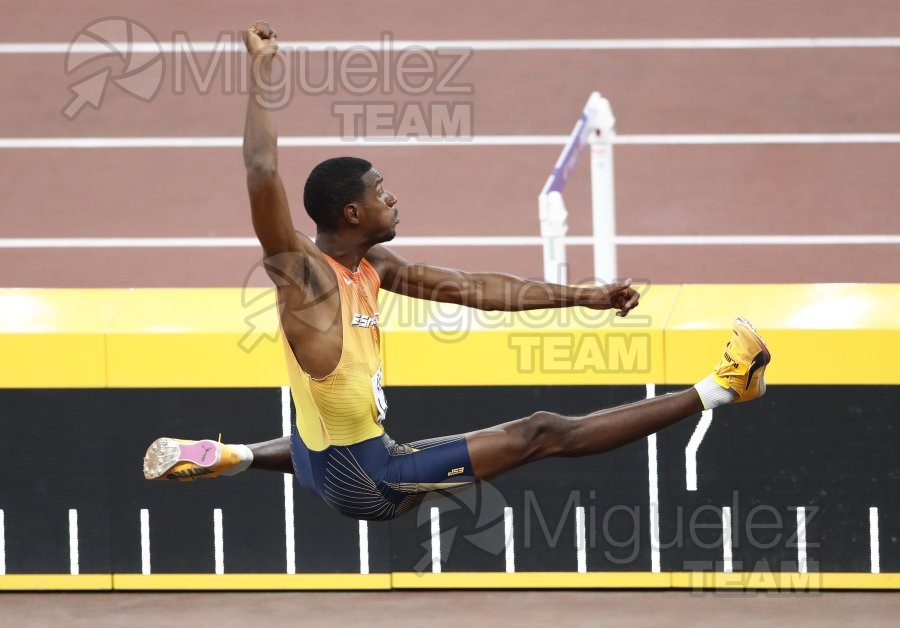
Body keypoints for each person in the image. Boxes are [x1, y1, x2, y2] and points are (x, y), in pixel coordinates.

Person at [143, 21, 771, 522]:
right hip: (368, 481)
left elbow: (474, 290)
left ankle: (232, 455)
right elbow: (260, 171)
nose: (395, 199)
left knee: (323, 432)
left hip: (315, 458)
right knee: (542, 433)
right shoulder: (305, 276)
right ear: (352, 210)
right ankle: (724, 386)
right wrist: (260, 70)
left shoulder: (371, 265)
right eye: (383, 193)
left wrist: (583, 296)